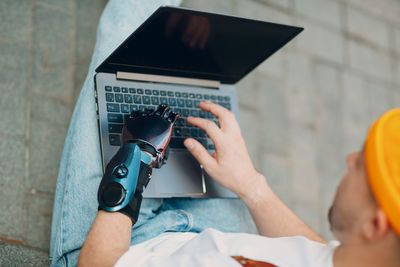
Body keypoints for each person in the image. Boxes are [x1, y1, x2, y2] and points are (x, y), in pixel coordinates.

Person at [50, 1, 400, 266]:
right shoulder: (365, 256)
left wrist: (136, 155)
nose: (351, 158)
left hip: (117, 243)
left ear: (375, 224)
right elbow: (319, 256)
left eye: (363, 164)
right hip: (218, 238)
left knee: (123, 37)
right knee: (187, 68)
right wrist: (251, 185)